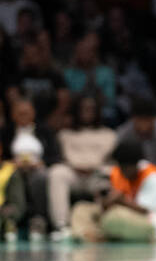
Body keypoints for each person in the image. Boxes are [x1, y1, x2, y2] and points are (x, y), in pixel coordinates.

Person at [70, 138, 156, 242]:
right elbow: (108, 202)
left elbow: (146, 210)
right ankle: (87, 235)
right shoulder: (118, 172)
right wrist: (105, 201)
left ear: (136, 164)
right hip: (118, 214)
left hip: (152, 224)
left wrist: (122, 200)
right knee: (81, 208)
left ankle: (96, 235)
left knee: (114, 218)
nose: (123, 171)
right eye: (120, 166)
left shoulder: (152, 176)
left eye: (126, 167)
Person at [47, 95, 116, 240]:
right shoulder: (65, 134)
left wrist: (93, 166)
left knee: (111, 173)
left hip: (96, 176)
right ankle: (62, 226)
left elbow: (106, 159)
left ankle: (103, 226)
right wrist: (78, 165)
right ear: (76, 111)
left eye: (91, 109)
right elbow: (66, 156)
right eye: (83, 109)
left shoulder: (109, 135)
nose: (87, 112)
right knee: (57, 173)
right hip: (74, 175)